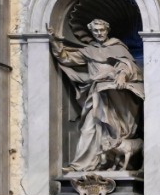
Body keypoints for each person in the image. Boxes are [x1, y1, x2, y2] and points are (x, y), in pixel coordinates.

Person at [49, 18, 145, 173]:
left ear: (107, 30)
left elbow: (128, 64)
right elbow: (66, 57)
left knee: (116, 131)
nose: (99, 33)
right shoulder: (89, 50)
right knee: (88, 127)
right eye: (96, 31)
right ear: (91, 32)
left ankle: (116, 164)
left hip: (116, 93)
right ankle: (81, 166)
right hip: (97, 93)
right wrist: (54, 41)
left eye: (102, 30)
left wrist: (122, 75)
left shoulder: (118, 47)